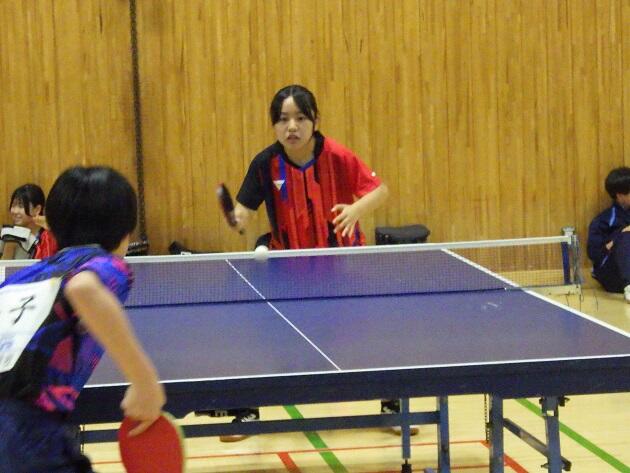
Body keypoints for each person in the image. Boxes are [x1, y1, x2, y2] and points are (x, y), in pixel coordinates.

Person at [199, 84, 418, 441]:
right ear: (274, 125)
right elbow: (244, 213)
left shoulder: (336, 156)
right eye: (283, 119)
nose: (292, 127)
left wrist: (355, 209)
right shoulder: (265, 164)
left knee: (369, 336)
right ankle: (248, 413)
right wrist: (233, 219)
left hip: (341, 264)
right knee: (263, 336)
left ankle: (393, 406)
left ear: (315, 121)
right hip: (290, 270)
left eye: (301, 118)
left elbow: (380, 190)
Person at [0, 166, 165, 472]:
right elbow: (84, 288)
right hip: (23, 434)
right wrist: (145, 383)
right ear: (125, 232)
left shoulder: (21, 278)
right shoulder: (105, 263)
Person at [587, 166, 630, 302]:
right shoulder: (603, 221)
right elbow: (594, 254)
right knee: (626, 237)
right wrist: (618, 238)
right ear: (620, 195)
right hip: (612, 275)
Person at [1, 183, 58, 260]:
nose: (15, 211)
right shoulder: (9, 234)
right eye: (13, 205)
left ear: (37, 209)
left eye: (21, 206)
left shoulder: (48, 236)